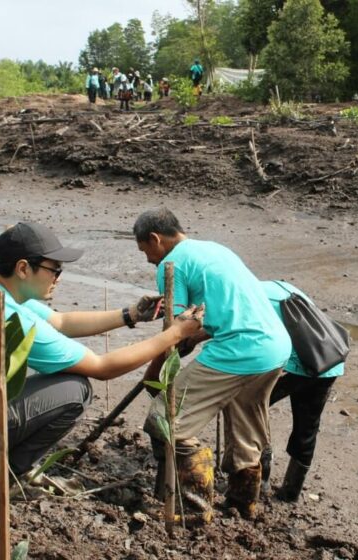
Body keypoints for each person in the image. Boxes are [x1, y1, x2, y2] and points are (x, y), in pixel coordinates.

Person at [0, 222, 203, 477]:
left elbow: (60, 321)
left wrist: (130, 315)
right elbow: (102, 368)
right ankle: (6, 474)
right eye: (54, 270)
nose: (58, 278)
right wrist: (175, 333)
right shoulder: (9, 319)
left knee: (51, 379)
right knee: (74, 389)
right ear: (23, 268)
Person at [134, 208, 292, 520]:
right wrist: (201, 335)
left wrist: (153, 378)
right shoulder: (216, 249)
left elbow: (173, 330)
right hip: (275, 347)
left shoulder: (171, 262)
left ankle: (193, 509)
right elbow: (233, 308)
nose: (148, 259)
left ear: (155, 239)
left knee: (165, 420)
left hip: (239, 350)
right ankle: (242, 505)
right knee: (246, 426)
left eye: (145, 251)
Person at [257, 280, 345, 502]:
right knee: (307, 428)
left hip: (302, 363)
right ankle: (290, 493)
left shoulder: (249, 298)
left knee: (251, 406)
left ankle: (261, 478)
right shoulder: (277, 287)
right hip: (330, 360)